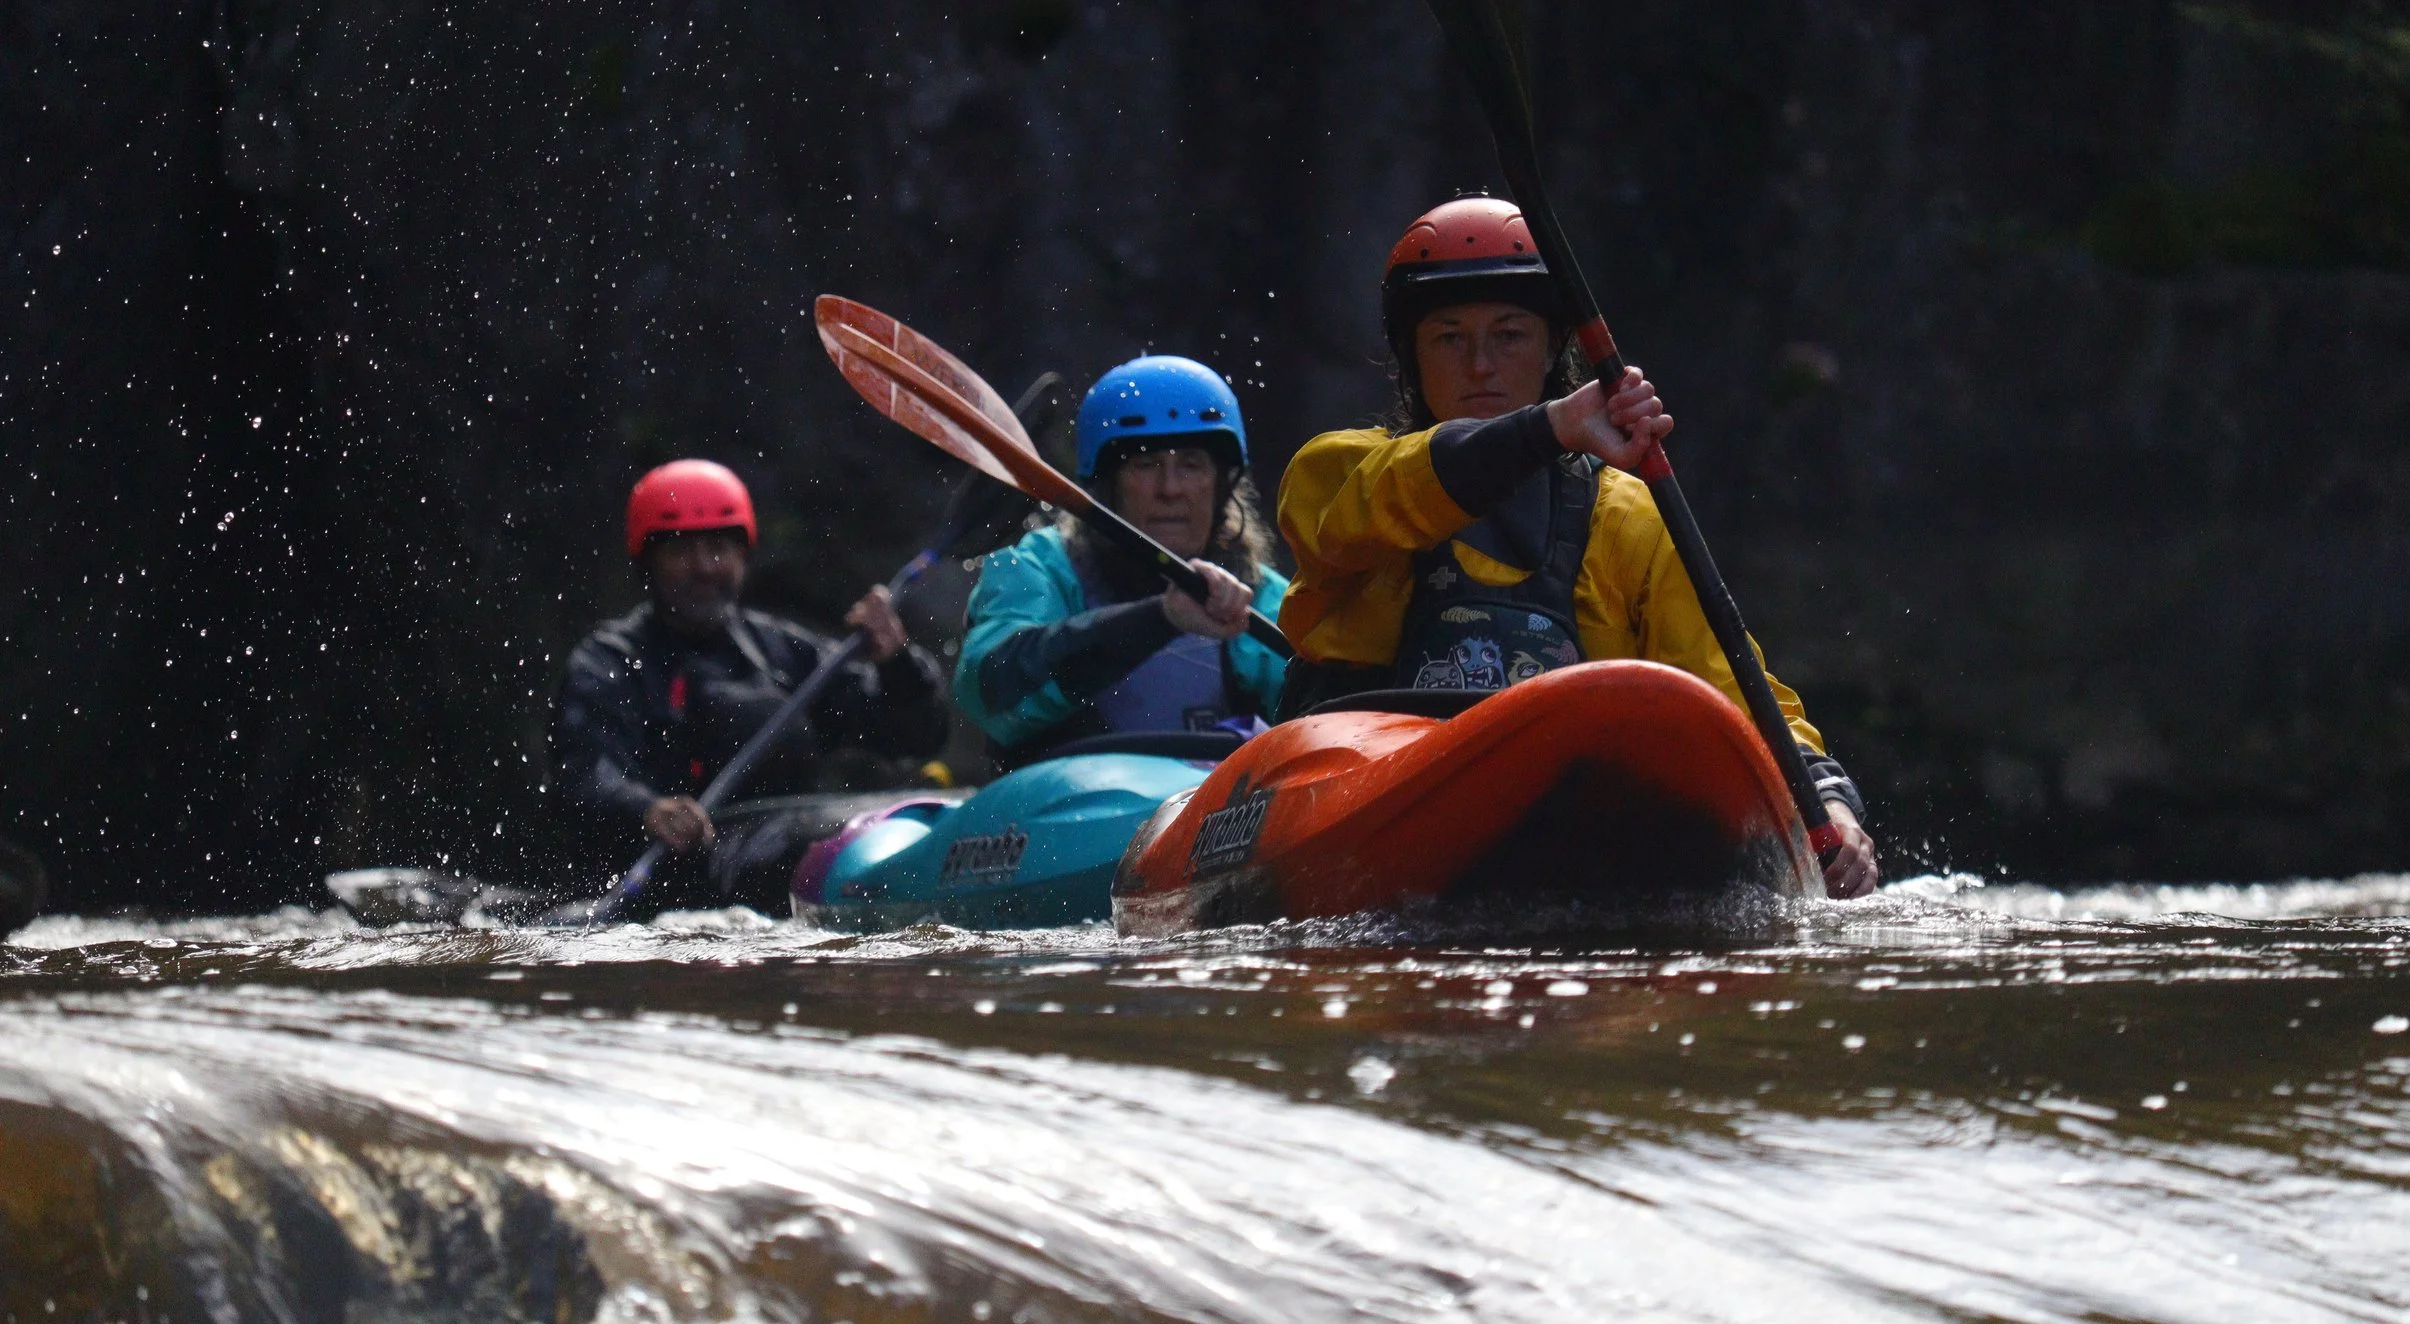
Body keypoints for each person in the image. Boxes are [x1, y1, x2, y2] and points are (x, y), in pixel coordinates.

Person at [1274, 197, 1880, 898]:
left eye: (1509, 335)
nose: (1480, 365)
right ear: (1412, 356)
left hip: (1555, 804)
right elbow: (1396, 494)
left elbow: (1734, 690)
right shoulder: (1336, 471)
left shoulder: (1628, 517)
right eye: (1448, 338)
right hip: (1365, 784)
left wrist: (1827, 803)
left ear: (1551, 349)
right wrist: (1552, 425)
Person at [553, 459, 950, 907]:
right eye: (681, 551)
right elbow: (586, 772)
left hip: (778, 854)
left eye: (720, 548)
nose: (704, 567)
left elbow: (913, 736)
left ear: (744, 556)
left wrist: (898, 665)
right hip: (670, 874)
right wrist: (648, 810)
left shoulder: (781, 651)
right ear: (647, 562)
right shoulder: (609, 660)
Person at [954, 357, 1289, 763]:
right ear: (1109, 482)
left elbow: (1329, 720)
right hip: (1067, 814)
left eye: (1191, 465)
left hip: (1208, 823)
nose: (1170, 489)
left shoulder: (1260, 596)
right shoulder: (1034, 568)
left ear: (1221, 484)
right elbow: (993, 696)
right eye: (1146, 465)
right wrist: (1163, 618)